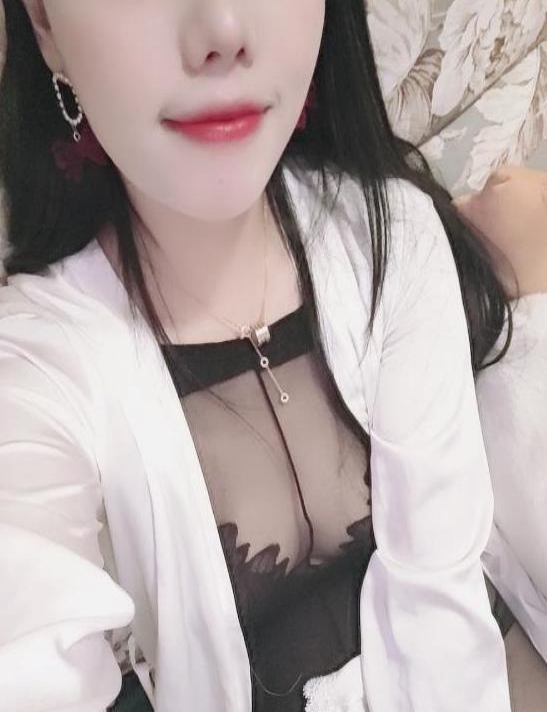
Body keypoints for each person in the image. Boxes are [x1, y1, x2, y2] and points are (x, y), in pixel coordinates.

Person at [0, 1, 518, 711]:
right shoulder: (35, 364)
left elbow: (444, 609)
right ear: (43, 23)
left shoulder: (389, 233)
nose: (222, 32)